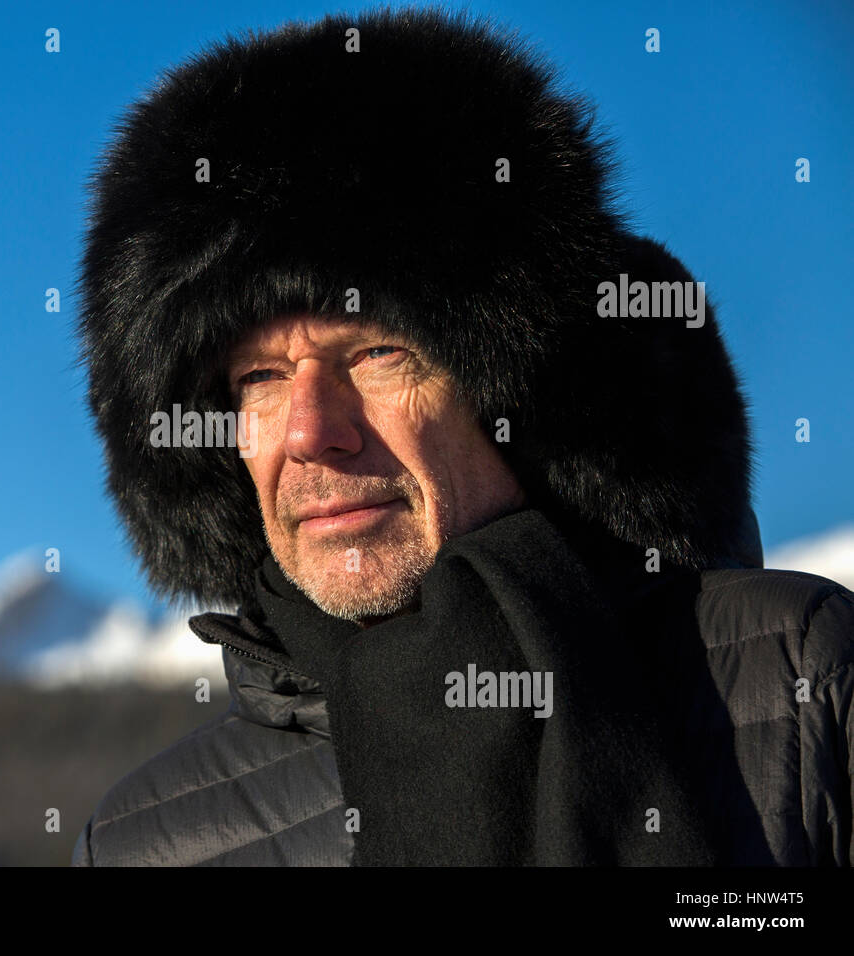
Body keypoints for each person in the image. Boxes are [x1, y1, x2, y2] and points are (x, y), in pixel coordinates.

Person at [70, 6, 854, 865]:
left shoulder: (798, 681)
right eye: (258, 378)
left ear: (515, 389)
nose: (309, 432)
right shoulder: (143, 842)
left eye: (378, 352)